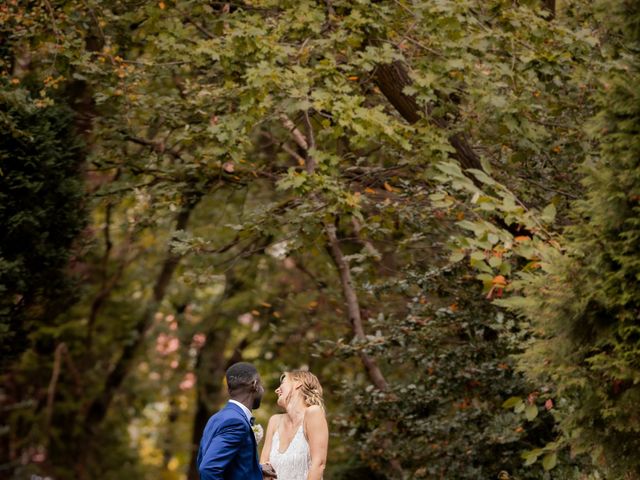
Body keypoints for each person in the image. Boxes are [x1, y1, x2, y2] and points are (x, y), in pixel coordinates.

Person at [197, 362, 277, 480]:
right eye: (261, 385)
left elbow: (228, 465)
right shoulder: (236, 422)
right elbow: (209, 469)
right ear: (254, 385)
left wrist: (257, 469)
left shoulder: (216, 418)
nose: (262, 389)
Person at [260, 370, 328, 480]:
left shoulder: (313, 413)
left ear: (297, 383)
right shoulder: (274, 421)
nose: (277, 390)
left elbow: (319, 464)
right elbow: (263, 466)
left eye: (282, 383)